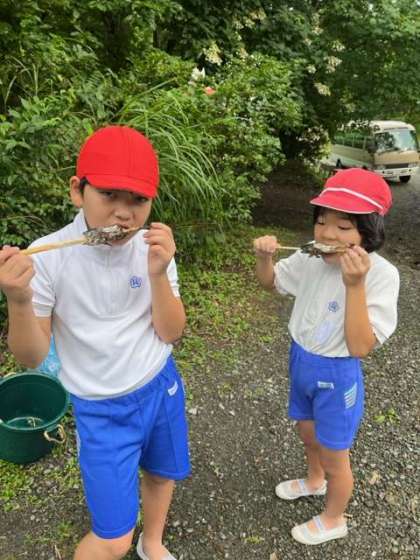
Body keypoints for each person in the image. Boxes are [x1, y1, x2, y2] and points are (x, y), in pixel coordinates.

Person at [0, 125, 190, 560]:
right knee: (112, 539)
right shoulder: (48, 256)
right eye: (109, 195)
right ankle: (128, 539)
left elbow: (171, 332)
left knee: (162, 474)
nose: (124, 214)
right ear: (77, 191)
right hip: (100, 409)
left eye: (138, 200)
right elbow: (31, 356)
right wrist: (19, 300)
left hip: (159, 384)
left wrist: (159, 273)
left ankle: (153, 541)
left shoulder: (153, 248)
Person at [253, 168, 399, 545]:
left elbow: (360, 346)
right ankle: (315, 480)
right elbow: (271, 283)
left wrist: (355, 285)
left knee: (335, 454)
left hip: (337, 374)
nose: (328, 234)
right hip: (301, 360)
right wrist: (264, 259)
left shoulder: (382, 275)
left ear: (368, 232)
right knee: (307, 431)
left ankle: (334, 518)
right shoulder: (310, 257)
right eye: (322, 221)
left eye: (344, 226)